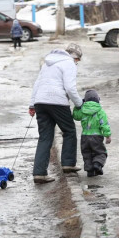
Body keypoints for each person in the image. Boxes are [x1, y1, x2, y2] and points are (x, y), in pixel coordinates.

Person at [29, 43, 83, 184]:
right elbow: (70, 88)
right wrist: (79, 104)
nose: (77, 63)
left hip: (40, 101)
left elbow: (37, 83)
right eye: (78, 60)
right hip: (57, 101)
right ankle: (68, 164)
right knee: (69, 131)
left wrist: (32, 104)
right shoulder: (69, 63)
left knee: (45, 137)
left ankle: (39, 173)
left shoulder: (47, 63)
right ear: (75, 57)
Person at [73, 90, 111, 177]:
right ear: (98, 100)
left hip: (85, 136)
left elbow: (75, 116)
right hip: (96, 136)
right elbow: (104, 124)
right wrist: (107, 135)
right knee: (100, 152)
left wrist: (77, 106)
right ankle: (97, 164)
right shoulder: (100, 111)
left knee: (87, 153)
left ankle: (90, 171)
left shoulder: (82, 110)